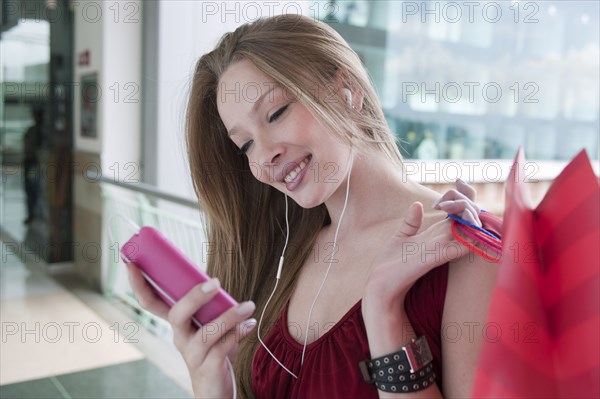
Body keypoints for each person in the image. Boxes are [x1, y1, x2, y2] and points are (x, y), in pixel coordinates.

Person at [126, 14, 499, 398]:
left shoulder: (463, 249)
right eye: (246, 145)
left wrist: (384, 311)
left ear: (345, 90)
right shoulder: (280, 252)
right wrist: (210, 383)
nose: (264, 156)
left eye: (275, 113)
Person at [23, 105, 44, 224]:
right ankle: (32, 214)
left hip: (33, 164)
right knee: (30, 189)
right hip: (29, 163)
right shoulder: (33, 130)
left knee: (33, 189)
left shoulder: (40, 131)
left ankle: (34, 215)